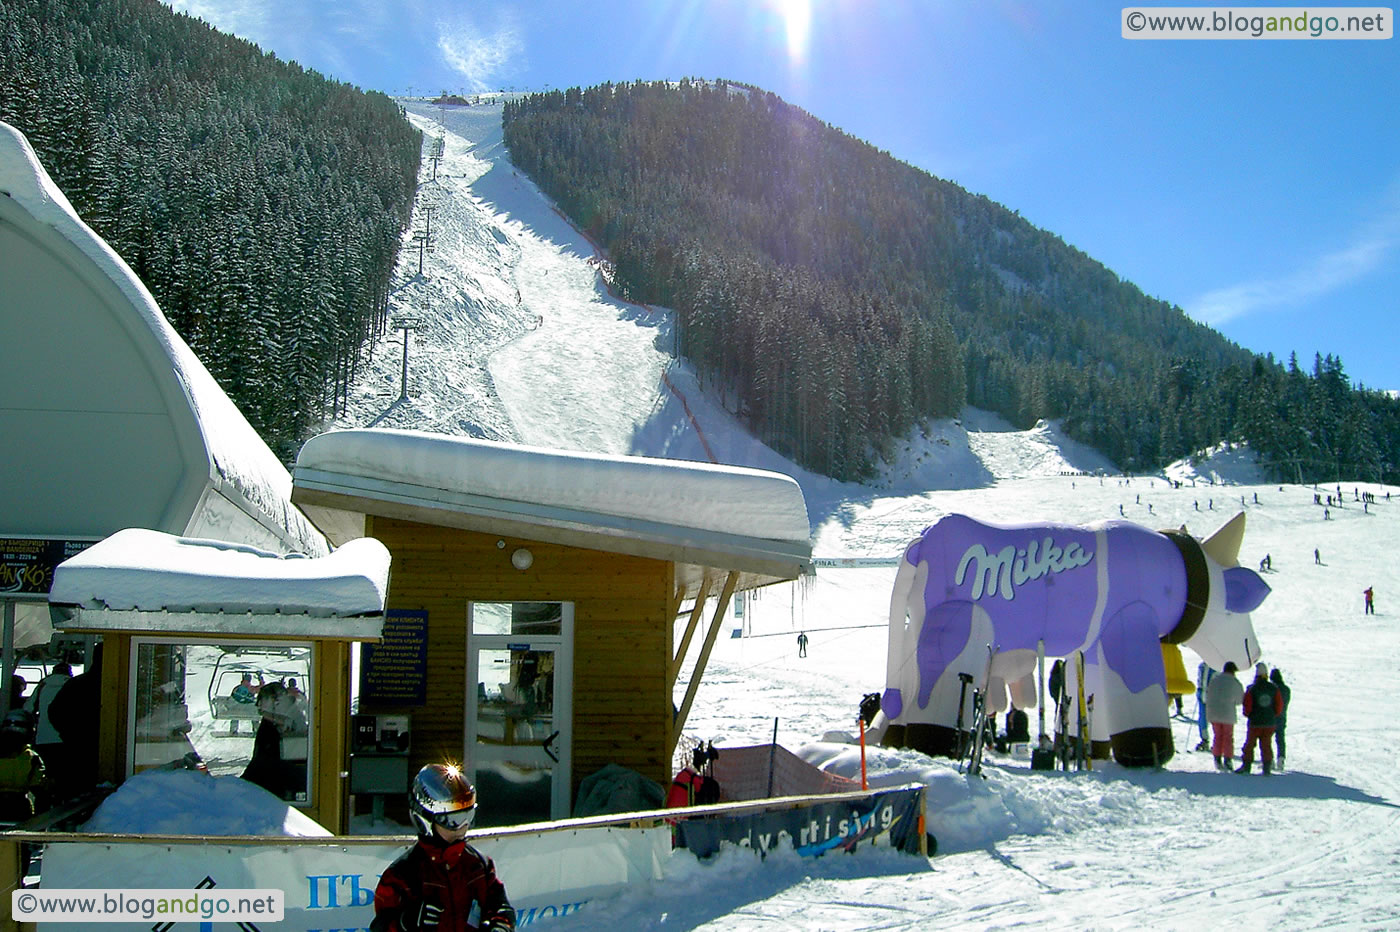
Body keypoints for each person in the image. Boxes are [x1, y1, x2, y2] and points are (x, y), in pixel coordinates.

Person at [372, 763, 515, 932]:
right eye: (454, 821)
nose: (463, 827)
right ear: (425, 820)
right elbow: (381, 926)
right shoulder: (402, 875)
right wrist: (406, 921)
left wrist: (500, 924)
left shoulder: (478, 866)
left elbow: (500, 907)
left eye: (468, 816)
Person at [45, 643, 102, 800]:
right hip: (102, 750)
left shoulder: (76, 684)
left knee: (73, 795)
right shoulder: (125, 684)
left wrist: (69, 734)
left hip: (75, 749)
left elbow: (54, 711)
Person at [25, 662, 71, 791]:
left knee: (44, 773)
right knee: (63, 775)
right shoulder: (72, 685)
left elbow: (28, 708)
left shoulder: (42, 686)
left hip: (43, 738)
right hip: (66, 739)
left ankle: (44, 797)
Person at [1237, 662, 1284, 775]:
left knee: (1250, 745)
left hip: (1255, 723)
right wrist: (1273, 715)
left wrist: (1248, 714)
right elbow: (1279, 706)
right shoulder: (1274, 688)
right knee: (1266, 745)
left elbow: (1247, 706)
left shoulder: (1251, 688)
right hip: (1269, 723)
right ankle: (1267, 767)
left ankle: (1246, 766)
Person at [1205, 661, 1244, 771]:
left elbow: (1208, 694)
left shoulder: (1215, 680)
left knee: (1217, 736)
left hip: (1213, 712)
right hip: (1227, 714)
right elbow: (1240, 700)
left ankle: (1217, 758)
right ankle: (1227, 759)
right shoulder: (1235, 682)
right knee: (1228, 737)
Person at [1270, 667, 1291, 771]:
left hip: (1272, 717)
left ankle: (1270, 760)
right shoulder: (1286, 689)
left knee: (1267, 738)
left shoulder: (1272, 689)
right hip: (1282, 716)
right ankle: (1281, 759)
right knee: (1280, 738)